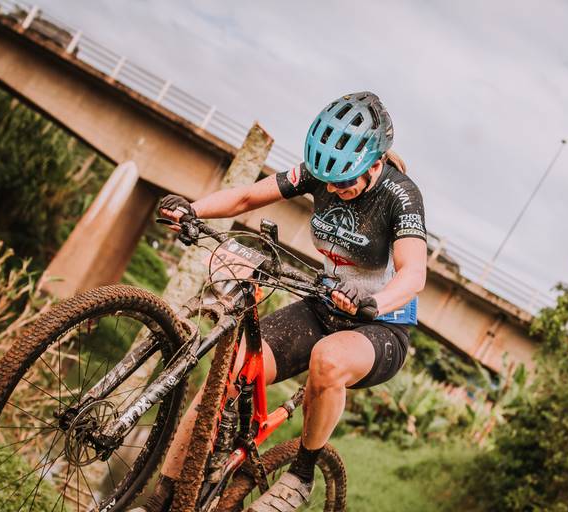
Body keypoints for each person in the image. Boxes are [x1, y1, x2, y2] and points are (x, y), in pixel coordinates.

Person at [135, 91, 427, 512]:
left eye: (344, 182)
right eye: (326, 181)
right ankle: (162, 497)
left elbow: (413, 273)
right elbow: (247, 198)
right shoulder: (321, 174)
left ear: (375, 164)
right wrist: (193, 210)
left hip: (380, 325)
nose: (332, 189)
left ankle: (300, 476)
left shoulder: (401, 196)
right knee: (230, 368)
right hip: (324, 305)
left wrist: (374, 303)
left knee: (328, 360)